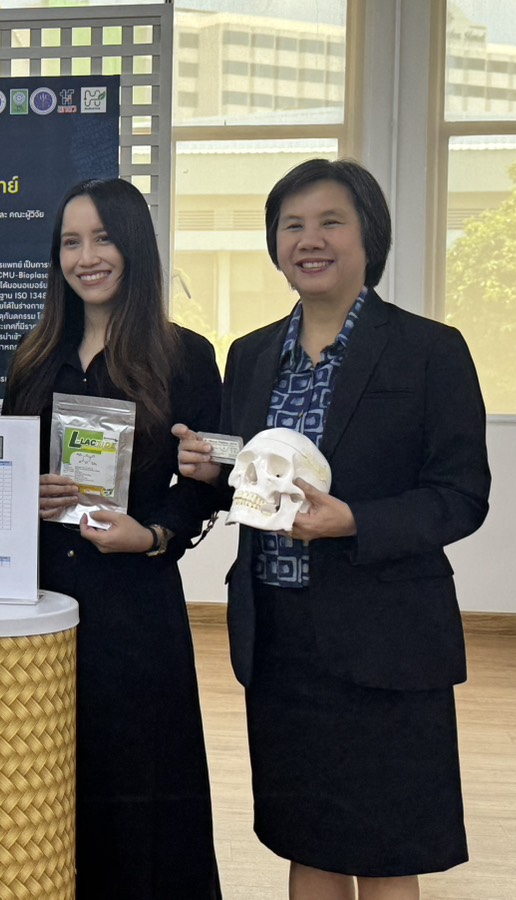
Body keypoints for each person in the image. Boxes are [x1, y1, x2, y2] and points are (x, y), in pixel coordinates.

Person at [175, 158, 490, 900]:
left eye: (329, 223)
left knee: (385, 850)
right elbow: (251, 474)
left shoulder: (429, 350)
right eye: (292, 226)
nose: (308, 240)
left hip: (386, 638)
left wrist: (354, 522)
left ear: (367, 237)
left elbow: (460, 497)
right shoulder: (252, 355)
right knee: (307, 841)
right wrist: (209, 467)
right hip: (279, 638)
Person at [3, 177, 223, 898]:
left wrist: (153, 534)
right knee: (44, 785)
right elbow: (6, 469)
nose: (86, 257)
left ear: (134, 247)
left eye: (102, 239)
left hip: (135, 609)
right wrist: (24, 491)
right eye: (70, 242)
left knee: (142, 792)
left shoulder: (185, 356)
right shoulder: (34, 356)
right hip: (43, 606)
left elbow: (207, 484)